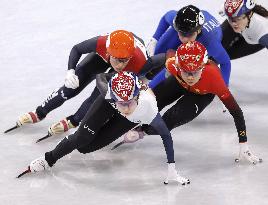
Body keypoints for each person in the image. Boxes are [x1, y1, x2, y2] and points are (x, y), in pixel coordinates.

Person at [18, 71, 190, 185]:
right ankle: (48, 159)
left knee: (87, 149)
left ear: (137, 96)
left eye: (129, 103)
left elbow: (167, 137)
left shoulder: (149, 108)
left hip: (130, 119)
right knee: (81, 138)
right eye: (120, 103)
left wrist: (171, 170)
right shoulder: (109, 94)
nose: (125, 108)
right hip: (107, 104)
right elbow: (101, 76)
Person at [124, 41, 262, 165]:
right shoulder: (172, 63)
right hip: (179, 83)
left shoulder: (215, 80)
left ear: (203, 67)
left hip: (202, 94)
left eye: (195, 72)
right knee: (151, 101)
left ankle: (143, 130)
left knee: (170, 119)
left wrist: (243, 143)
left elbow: (237, 112)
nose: (190, 77)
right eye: (186, 71)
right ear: (178, 66)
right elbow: (160, 61)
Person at [5, 30, 166, 136]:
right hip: (103, 57)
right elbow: (76, 49)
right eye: (117, 60)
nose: (120, 65)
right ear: (109, 52)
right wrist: (70, 71)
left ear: (130, 57)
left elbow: (162, 59)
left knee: (97, 96)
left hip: (134, 65)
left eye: (124, 61)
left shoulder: (140, 63)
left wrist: (147, 78)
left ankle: (73, 121)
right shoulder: (101, 43)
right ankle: (40, 111)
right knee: (71, 87)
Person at [146, 4, 231, 87]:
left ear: (198, 31)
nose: (184, 40)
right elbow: (165, 17)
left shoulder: (209, 43)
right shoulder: (178, 21)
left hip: (205, 39)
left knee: (177, 66)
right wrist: (154, 39)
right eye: (181, 34)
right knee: (157, 52)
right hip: (190, 28)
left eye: (189, 35)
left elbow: (226, 63)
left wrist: (224, 86)